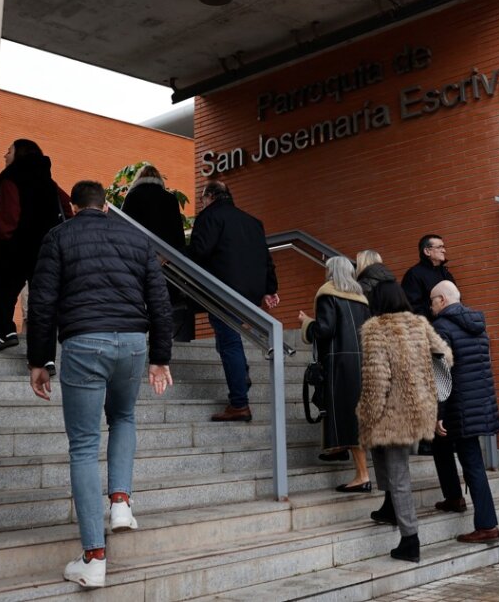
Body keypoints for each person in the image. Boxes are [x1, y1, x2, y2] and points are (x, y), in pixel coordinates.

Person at [25, 180, 175, 589]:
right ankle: (121, 503)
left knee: (84, 445)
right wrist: (160, 356)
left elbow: (41, 300)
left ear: (73, 206)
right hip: (131, 344)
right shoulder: (135, 238)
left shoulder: (59, 236)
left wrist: (39, 360)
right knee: (124, 416)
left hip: (83, 342)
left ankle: (94, 559)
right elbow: (159, 299)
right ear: (106, 204)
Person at [357, 281, 453, 563]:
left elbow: (377, 379)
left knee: (398, 476)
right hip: (417, 410)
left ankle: (410, 539)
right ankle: (389, 508)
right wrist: (425, 388)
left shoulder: (376, 329)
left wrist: (366, 413)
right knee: (382, 460)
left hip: (391, 412)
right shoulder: (420, 324)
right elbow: (444, 357)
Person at [187, 180, 279, 422]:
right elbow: (266, 257)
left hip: (224, 290)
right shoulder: (252, 222)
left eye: (201, 199)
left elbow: (199, 251)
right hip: (251, 292)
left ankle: (239, 403)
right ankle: (242, 374)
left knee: (228, 342)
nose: (201, 203)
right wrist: (270, 288)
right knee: (227, 336)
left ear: (209, 196)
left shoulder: (210, 217)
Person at [429, 280, 499, 544]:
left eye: (433, 301)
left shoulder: (441, 327)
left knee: (472, 464)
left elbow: (441, 374)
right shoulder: (478, 325)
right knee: (444, 447)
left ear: (442, 300)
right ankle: (453, 497)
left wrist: (439, 413)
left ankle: (487, 525)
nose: (431, 306)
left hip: (460, 406)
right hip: (480, 404)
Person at [0, 138, 71, 352]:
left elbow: (8, 214)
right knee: (42, 299)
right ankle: (43, 354)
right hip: (46, 248)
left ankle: (6, 332)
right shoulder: (47, 179)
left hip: (15, 247)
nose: (5, 155)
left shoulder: (10, 176)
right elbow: (67, 205)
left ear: (20, 153)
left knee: (2, 290)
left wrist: (2, 240)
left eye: (9, 151)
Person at [300, 256, 372, 491]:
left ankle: (362, 476)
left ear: (331, 272)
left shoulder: (327, 293)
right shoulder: (362, 299)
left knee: (348, 416)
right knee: (353, 414)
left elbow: (324, 329)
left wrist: (306, 323)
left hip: (338, 362)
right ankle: (337, 447)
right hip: (361, 363)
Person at [120, 164, 192, 341]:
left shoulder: (132, 197)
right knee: (160, 299)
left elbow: (122, 229)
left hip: (137, 257)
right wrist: (170, 256)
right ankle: (160, 338)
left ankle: (138, 336)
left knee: (138, 296)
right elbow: (177, 232)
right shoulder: (170, 199)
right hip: (164, 260)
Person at [401, 234, 456, 317]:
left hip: (452, 321)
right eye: (439, 247)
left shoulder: (444, 272)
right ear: (427, 251)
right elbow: (411, 307)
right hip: (432, 326)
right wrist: (432, 311)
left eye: (443, 247)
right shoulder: (414, 274)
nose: (444, 250)